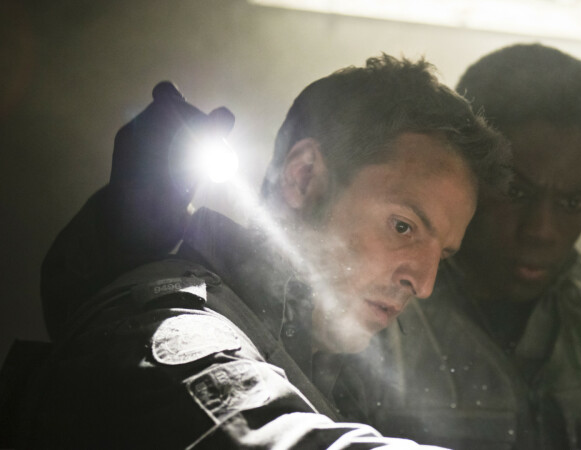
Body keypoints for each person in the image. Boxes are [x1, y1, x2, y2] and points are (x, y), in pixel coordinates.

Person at [1, 55, 509, 448]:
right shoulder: (175, 323)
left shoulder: (339, 370)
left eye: (443, 255)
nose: (424, 282)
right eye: (403, 226)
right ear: (303, 177)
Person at [350, 44, 581, 449]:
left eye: (571, 203)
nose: (541, 230)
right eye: (516, 191)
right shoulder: (373, 321)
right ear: (466, 182)